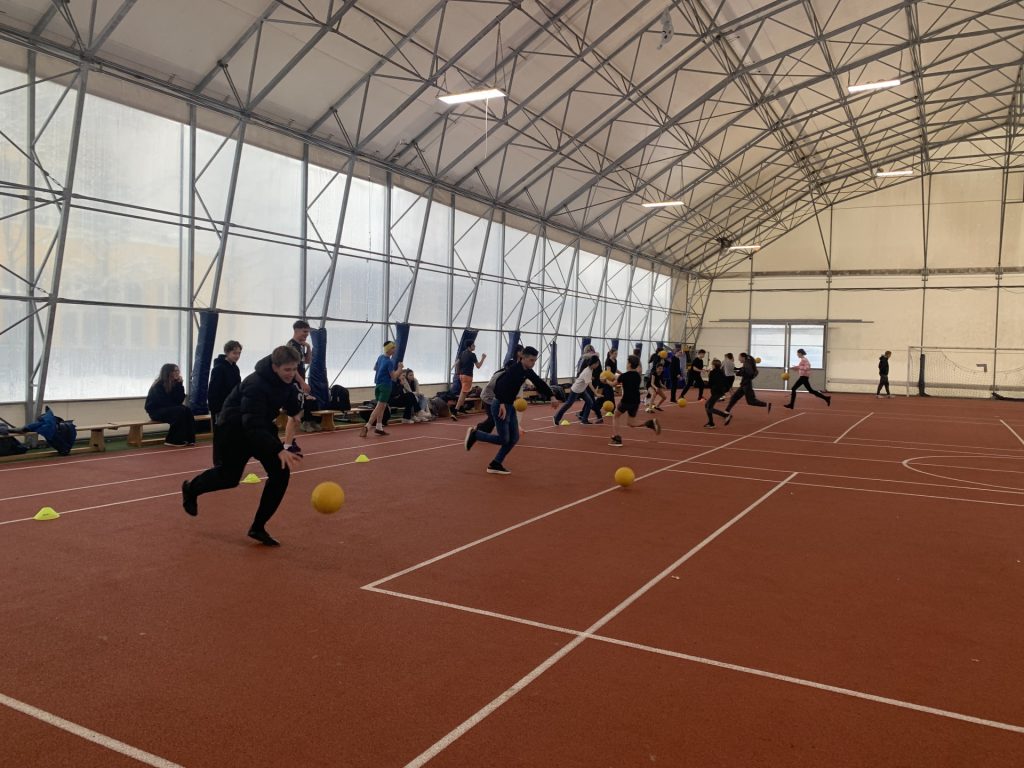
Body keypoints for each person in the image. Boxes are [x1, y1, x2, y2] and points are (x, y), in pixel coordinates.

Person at [180, 346, 304, 546]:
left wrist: (297, 409)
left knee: (280, 473)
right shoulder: (255, 384)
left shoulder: (286, 383)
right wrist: (278, 449)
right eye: (287, 370)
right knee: (228, 478)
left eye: (294, 369)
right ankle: (191, 489)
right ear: (275, 367)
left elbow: (290, 402)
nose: (291, 374)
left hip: (259, 426)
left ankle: (258, 527)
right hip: (233, 430)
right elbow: (251, 425)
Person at [464, 346, 558, 475]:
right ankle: (476, 434)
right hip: (500, 405)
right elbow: (499, 386)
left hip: (509, 405)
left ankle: (495, 464)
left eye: (535, 360)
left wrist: (551, 396)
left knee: (514, 438)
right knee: (504, 439)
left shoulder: (527, 371)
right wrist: (502, 402)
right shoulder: (514, 369)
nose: (533, 363)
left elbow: (539, 382)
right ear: (523, 358)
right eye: (531, 360)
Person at [608, 355, 661, 447]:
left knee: (616, 416)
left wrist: (606, 380)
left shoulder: (623, 376)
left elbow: (613, 384)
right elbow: (639, 369)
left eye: (627, 362)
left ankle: (617, 438)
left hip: (626, 400)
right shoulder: (638, 375)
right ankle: (649, 423)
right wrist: (638, 361)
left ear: (629, 364)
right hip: (636, 401)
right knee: (631, 423)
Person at [476, 344, 524, 435]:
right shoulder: (499, 376)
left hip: (497, 397)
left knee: (498, 417)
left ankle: (481, 431)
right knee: (493, 419)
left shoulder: (513, 374)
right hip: (488, 397)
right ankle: (477, 431)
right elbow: (493, 389)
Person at [207, 340, 242, 463]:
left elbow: (237, 387)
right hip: (220, 407)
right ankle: (218, 461)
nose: (237, 356)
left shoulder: (235, 368)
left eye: (239, 353)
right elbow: (213, 390)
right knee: (219, 436)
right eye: (234, 353)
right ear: (227, 352)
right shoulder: (218, 369)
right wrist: (215, 408)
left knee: (231, 434)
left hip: (232, 407)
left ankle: (229, 459)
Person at [146, 363, 196, 447]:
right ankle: (172, 440)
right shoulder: (158, 385)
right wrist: (177, 407)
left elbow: (179, 400)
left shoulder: (175, 383)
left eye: (178, 371)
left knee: (187, 410)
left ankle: (189, 438)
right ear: (168, 372)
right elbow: (163, 402)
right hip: (156, 411)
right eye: (174, 371)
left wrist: (179, 385)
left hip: (169, 408)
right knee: (180, 411)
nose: (177, 373)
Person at [362, 341, 404, 437]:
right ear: (388, 349)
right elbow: (394, 377)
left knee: (382, 406)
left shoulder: (380, 357)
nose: (394, 350)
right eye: (393, 348)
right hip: (385, 386)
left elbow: (375, 368)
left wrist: (382, 371)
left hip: (378, 385)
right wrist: (400, 368)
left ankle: (379, 427)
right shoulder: (389, 362)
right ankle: (367, 426)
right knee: (379, 407)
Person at [288, 320, 319, 431]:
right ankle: (303, 423)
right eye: (304, 331)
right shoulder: (292, 346)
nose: (307, 334)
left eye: (308, 332)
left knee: (311, 399)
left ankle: (309, 422)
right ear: (296, 330)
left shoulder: (301, 345)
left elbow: (307, 361)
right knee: (302, 402)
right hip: (293, 382)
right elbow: (292, 368)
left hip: (300, 380)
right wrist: (302, 383)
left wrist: (308, 348)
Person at [553, 355, 601, 425]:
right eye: (597, 363)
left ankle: (584, 420)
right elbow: (590, 384)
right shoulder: (587, 371)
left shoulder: (590, 369)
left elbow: (587, 380)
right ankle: (556, 417)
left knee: (590, 402)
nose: (598, 365)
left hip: (582, 390)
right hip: (575, 390)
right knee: (568, 404)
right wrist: (596, 393)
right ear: (593, 363)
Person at [454, 342, 487, 414]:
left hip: (461, 375)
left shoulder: (462, 353)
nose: (475, 346)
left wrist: (458, 372)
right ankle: (456, 410)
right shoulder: (472, 355)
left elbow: (457, 363)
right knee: (463, 393)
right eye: (473, 345)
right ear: (469, 347)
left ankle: (461, 408)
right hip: (467, 376)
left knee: (464, 392)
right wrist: (483, 358)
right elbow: (478, 366)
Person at [704, 359, 733, 429]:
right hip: (720, 392)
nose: (712, 365)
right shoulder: (721, 372)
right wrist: (729, 390)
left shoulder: (712, 372)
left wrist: (703, 384)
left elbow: (710, 384)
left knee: (709, 408)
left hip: (716, 392)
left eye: (712, 364)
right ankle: (711, 423)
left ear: (714, 365)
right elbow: (726, 382)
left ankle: (725, 415)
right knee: (707, 405)